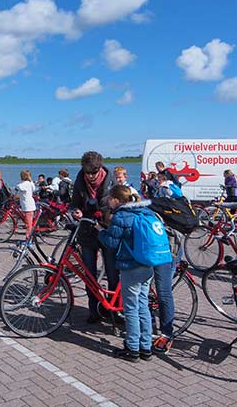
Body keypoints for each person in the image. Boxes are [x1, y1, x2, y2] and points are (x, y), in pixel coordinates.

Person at [97, 185, 155, 362]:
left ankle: (132, 348)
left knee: (130, 308)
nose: (108, 201)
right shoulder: (146, 212)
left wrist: (100, 232)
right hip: (148, 264)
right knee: (143, 305)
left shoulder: (121, 216)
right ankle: (146, 347)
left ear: (116, 200)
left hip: (131, 266)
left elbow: (111, 243)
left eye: (109, 198)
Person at [69, 151, 117, 323]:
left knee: (112, 273)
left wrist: (108, 216)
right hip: (87, 232)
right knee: (89, 274)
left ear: (99, 169)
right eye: (87, 172)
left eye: (93, 173)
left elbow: (119, 205)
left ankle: (114, 310)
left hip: (107, 231)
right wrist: (76, 211)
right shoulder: (80, 180)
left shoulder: (111, 181)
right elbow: (74, 203)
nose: (90, 176)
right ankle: (93, 310)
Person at [15, 170, 36, 242]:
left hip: (28, 206)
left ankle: (28, 239)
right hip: (28, 205)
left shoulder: (25, 183)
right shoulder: (30, 183)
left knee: (28, 224)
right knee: (28, 222)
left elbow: (18, 187)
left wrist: (16, 187)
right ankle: (29, 238)